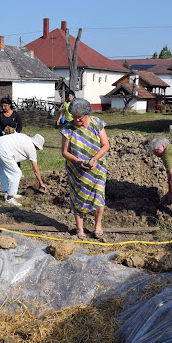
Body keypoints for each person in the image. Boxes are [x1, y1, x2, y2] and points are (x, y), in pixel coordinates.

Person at [60, 98, 110, 239]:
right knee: (78, 197)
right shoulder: (67, 129)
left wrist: (94, 159)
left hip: (97, 168)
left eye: (80, 118)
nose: (77, 120)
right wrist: (77, 161)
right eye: (74, 117)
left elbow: (105, 145)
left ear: (87, 114)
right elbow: (64, 152)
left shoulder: (97, 123)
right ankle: (80, 229)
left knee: (98, 196)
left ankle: (98, 226)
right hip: (77, 170)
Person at [0, 133, 47, 206]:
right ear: (36, 146)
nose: (37, 150)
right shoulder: (31, 148)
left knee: (4, 170)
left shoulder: (26, 138)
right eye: (38, 148)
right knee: (17, 173)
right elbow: (35, 170)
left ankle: (8, 192)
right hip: (3, 149)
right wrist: (41, 183)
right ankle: (9, 197)